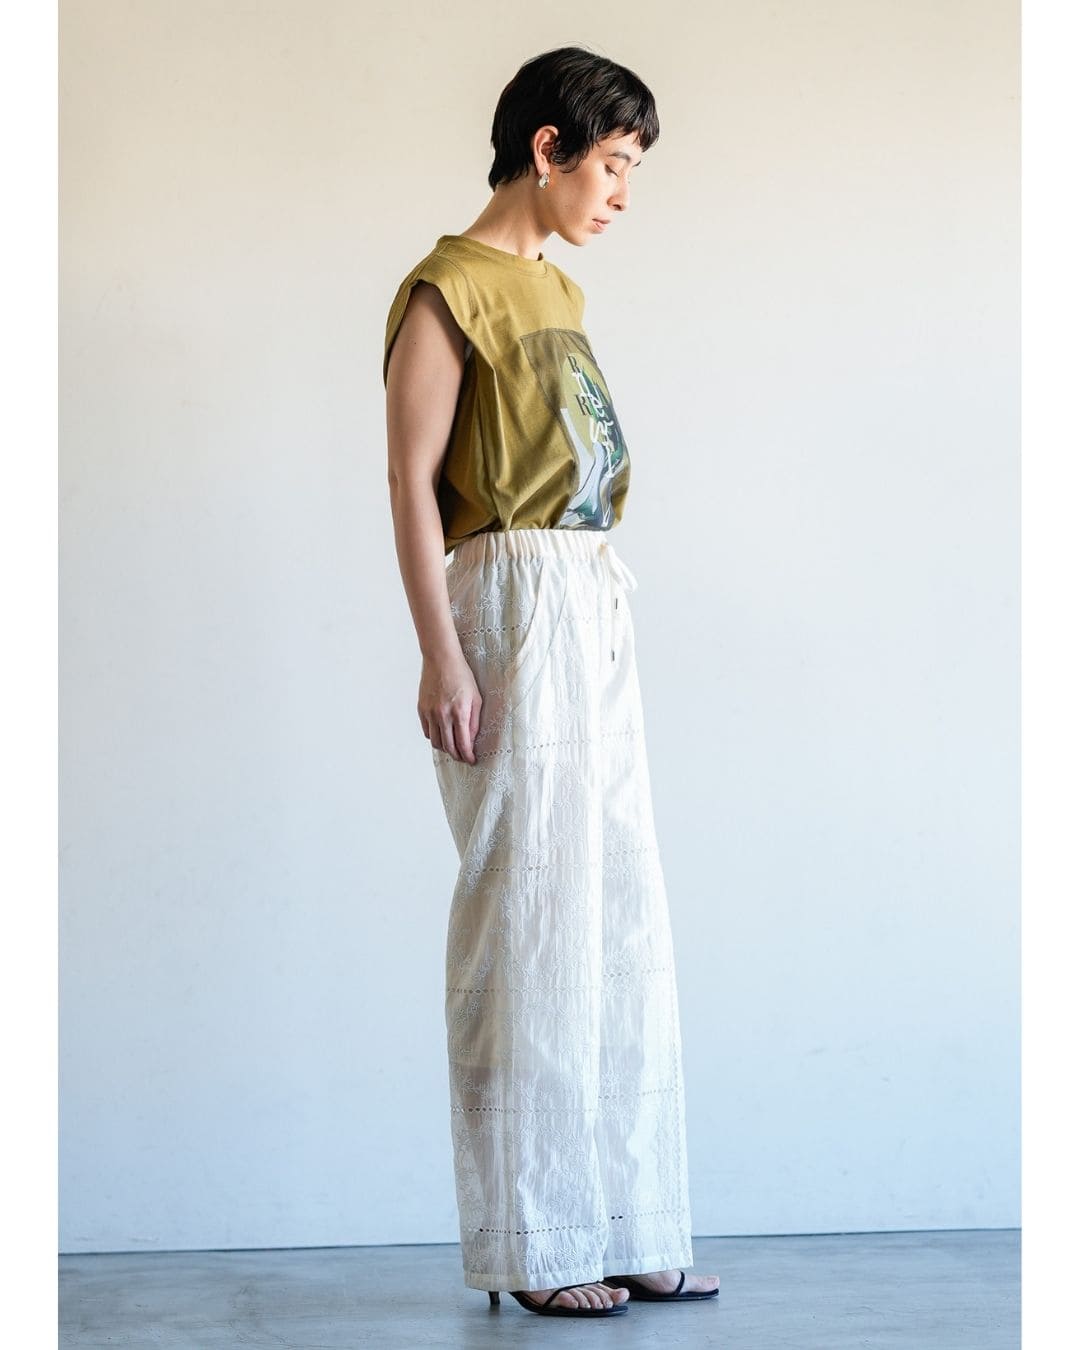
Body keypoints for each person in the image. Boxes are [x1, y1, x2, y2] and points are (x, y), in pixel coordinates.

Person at [383, 46, 720, 1320]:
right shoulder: (446, 290)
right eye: (615, 163)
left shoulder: (559, 291)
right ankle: (537, 1237)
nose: (623, 191)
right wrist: (441, 649)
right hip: (509, 595)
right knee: (528, 914)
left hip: (590, 590)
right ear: (548, 147)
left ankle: (630, 1219)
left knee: (620, 911)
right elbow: (412, 484)